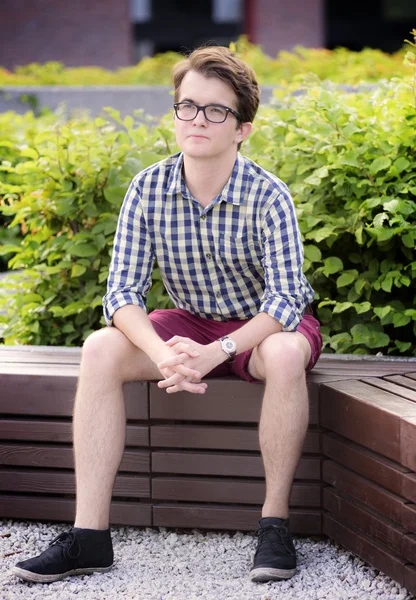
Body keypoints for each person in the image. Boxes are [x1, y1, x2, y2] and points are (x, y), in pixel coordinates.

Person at [13, 45, 322, 585]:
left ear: (242, 128)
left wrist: (216, 353)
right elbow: (121, 295)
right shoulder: (148, 188)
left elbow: (284, 302)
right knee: (101, 347)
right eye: (187, 106)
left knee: (284, 351)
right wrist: (164, 354)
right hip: (190, 322)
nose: (198, 120)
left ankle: (274, 525)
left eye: (216, 111)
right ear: (175, 113)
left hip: (259, 329)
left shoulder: (269, 195)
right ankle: (89, 536)